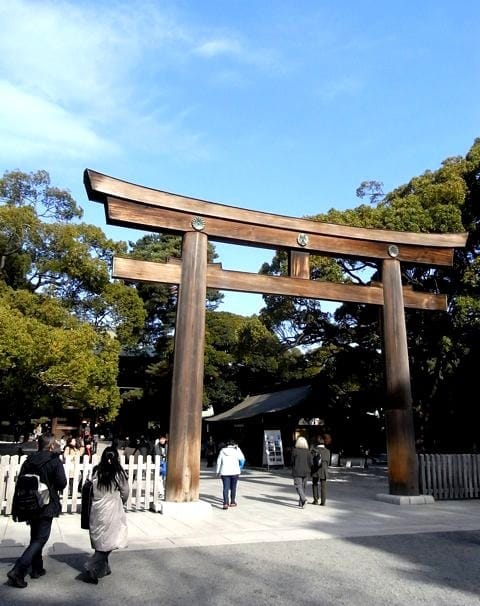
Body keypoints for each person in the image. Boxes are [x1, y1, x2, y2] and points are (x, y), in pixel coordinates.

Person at [7, 433, 67, 588]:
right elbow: (62, 483)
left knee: (35, 535)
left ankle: (37, 568)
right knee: (41, 538)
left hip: (29, 503)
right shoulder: (54, 460)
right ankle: (18, 570)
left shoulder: (29, 460)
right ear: (52, 445)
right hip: (46, 503)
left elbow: (21, 481)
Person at [82, 446, 129, 584]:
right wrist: (121, 501)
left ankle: (103, 568)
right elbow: (125, 491)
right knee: (111, 539)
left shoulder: (96, 471)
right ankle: (91, 566)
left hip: (96, 507)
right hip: (112, 507)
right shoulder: (118, 473)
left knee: (102, 538)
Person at [216, 439, 245, 510]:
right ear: (234, 444)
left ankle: (225, 503)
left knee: (225, 487)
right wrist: (240, 468)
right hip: (235, 472)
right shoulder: (237, 450)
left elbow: (218, 462)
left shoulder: (222, 451)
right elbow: (242, 459)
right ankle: (232, 502)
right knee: (233, 487)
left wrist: (217, 471)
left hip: (224, 472)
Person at [291, 436, 313, 508]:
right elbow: (311, 463)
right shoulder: (308, 452)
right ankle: (301, 503)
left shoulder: (295, 450)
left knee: (298, 486)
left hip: (297, 471)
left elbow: (292, 461)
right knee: (303, 487)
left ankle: (303, 499)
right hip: (306, 471)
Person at [310, 435, 331, 505]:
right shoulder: (327, 451)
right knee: (323, 486)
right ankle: (323, 502)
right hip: (324, 470)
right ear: (323, 443)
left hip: (315, 469)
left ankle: (315, 500)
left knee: (315, 484)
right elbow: (328, 462)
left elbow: (311, 461)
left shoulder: (313, 450)